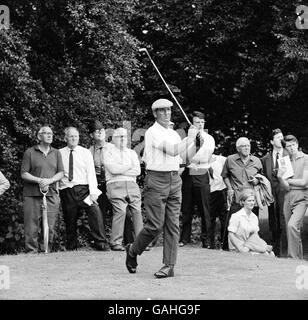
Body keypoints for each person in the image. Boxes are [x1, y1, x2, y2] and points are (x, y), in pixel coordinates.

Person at [125, 98, 198, 278]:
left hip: (175, 179)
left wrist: (196, 143)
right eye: (162, 110)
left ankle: (169, 266)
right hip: (156, 180)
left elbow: (183, 158)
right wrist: (190, 137)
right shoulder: (152, 132)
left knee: (173, 225)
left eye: (168, 110)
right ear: (155, 114)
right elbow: (172, 150)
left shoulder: (174, 134)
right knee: (155, 225)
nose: (166, 113)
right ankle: (133, 250)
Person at [59, 127, 109, 251]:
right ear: (65, 138)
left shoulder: (85, 152)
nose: (74, 138)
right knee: (70, 218)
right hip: (67, 189)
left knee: (95, 211)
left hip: (84, 190)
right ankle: (72, 246)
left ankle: (101, 243)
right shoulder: (59, 153)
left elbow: (91, 173)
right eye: (71, 136)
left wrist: (93, 192)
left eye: (76, 136)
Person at [88, 120, 134, 245]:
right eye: (96, 131)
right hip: (99, 184)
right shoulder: (89, 151)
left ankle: (129, 241)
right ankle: (102, 242)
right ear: (91, 135)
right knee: (99, 213)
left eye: (102, 130)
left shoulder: (113, 147)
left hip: (114, 182)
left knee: (125, 211)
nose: (100, 133)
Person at [21, 125, 64, 253]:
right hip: (32, 194)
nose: (50, 135)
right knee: (31, 226)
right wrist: (40, 181)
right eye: (46, 133)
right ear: (39, 137)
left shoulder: (56, 153)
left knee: (50, 226)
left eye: (51, 133)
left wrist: (50, 181)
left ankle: (46, 251)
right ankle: (31, 252)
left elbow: (61, 172)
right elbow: (24, 173)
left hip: (51, 194)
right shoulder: (30, 152)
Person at [179, 111, 215, 248]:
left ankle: (206, 240)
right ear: (192, 124)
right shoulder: (186, 139)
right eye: (197, 122)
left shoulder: (209, 138)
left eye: (201, 122)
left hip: (201, 172)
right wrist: (191, 142)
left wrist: (193, 154)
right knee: (186, 207)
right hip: (188, 173)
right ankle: (184, 238)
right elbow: (183, 157)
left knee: (204, 209)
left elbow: (204, 157)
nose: (199, 125)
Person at [104, 127, 143, 251]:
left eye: (124, 136)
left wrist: (121, 169)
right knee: (120, 211)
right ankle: (116, 242)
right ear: (113, 139)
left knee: (137, 210)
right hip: (115, 185)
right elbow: (113, 170)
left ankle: (141, 242)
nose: (122, 139)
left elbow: (137, 171)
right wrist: (128, 166)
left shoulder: (131, 153)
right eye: (119, 136)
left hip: (131, 184)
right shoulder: (108, 152)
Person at [221, 137, 263, 250]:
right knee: (233, 224)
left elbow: (262, 178)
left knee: (252, 225)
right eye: (243, 146)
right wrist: (229, 188)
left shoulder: (257, 161)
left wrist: (257, 180)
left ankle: (251, 247)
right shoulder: (230, 159)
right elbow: (225, 175)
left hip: (251, 200)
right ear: (238, 148)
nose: (246, 148)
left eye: (248, 146)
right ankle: (229, 249)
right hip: (236, 197)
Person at [278, 135, 308, 259]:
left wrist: (288, 180)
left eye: (293, 145)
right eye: (288, 146)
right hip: (288, 197)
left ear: (297, 144)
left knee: (292, 225)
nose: (291, 148)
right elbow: (285, 187)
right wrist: (280, 177)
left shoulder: (306, 158)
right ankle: (298, 260)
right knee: (291, 230)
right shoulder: (285, 161)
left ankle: (292, 257)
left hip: (302, 197)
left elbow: (304, 182)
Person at [261, 128, 288, 257]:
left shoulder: (288, 155)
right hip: (272, 195)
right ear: (272, 141)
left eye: (282, 137)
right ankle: (276, 252)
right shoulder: (265, 159)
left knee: (284, 220)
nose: (281, 139)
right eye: (278, 137)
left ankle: (286, 251)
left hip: (286, 194)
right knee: (273, 222)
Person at [228, 189, 274, 255]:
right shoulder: (236, 216)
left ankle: (264, 248)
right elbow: (231, 235)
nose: (252, 203)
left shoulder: (254, 217)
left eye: (253, 201)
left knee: (270, 253)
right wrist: (240, 249)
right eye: (249, 201)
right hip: (238, 247)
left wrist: (257, 245)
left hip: (249, 245)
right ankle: (264, 248)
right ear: (243, 202)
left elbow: (255, 235)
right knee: (265, 254)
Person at [208, 154, 228, 249]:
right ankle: (210, 243)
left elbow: (230, 166)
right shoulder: (199, 160)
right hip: (209, 192)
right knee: (210, 219)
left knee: (224, 218)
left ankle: (224, 243)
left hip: (221, 191)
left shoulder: (221, 159)